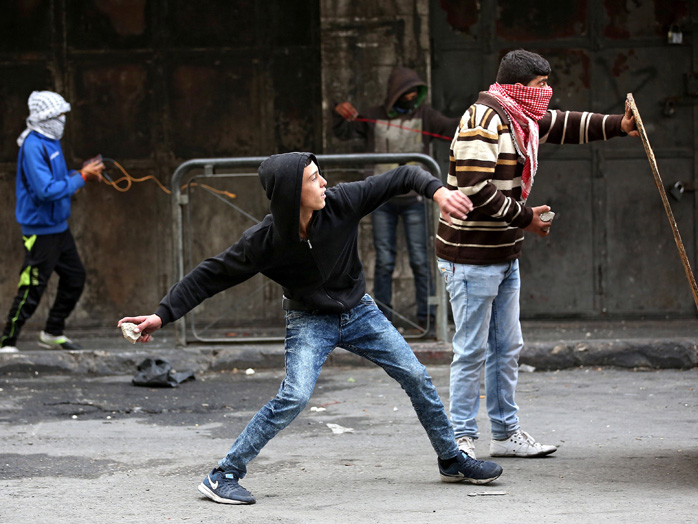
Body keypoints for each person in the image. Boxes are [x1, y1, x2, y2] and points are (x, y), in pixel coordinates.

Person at [118, 152, 503, 505]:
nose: (324, 183)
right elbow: (209, 275)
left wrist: (436, 192)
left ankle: (451, 458)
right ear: (290, 192)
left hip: (360, 312)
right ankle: (224, 474)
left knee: (417, 376)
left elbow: (403, 175)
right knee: (295, 396)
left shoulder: (343, 202)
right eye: (314, 178)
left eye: (321, 175)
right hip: (309, 319)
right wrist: (161, 315)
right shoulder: (264, 242)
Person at [435, 50, 640, 459]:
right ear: (515, 87)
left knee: (506, 348)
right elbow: (476, 188)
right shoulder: (484, 120)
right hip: (470, 256)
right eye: (539, 86)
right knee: (472, 350)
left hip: (503, 253)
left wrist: (619, 125)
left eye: (548, 84)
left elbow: (563, 124)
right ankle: (460, 438)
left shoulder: (520, 117)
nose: (546, 94)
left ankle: (506, 433)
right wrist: (526, 218)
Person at [333, 66, 460, 334]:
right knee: (385, 261)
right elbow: (345, 131)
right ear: (394, 94)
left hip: (414, 198)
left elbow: (451, 128)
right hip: (380, 200)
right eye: (406, 93)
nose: (411, 97)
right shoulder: (373, 115)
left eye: (415, 93)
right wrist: (340, 113)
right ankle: (382, 320)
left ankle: (427, 320)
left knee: (420, 259)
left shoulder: (425, 115)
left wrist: (475, 116)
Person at [0, 91, 104, 354]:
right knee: (32, 286)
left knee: (75, 278)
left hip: (59, 227)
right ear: (47, 117)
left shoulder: (51, 141)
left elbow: (58, 181)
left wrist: (79, 174)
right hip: (40, 231)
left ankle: (52, 331)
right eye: (59, 115)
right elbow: (45, 190)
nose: (63, 120)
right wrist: (81, 177)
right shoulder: (33, 146)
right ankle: (7, 342)